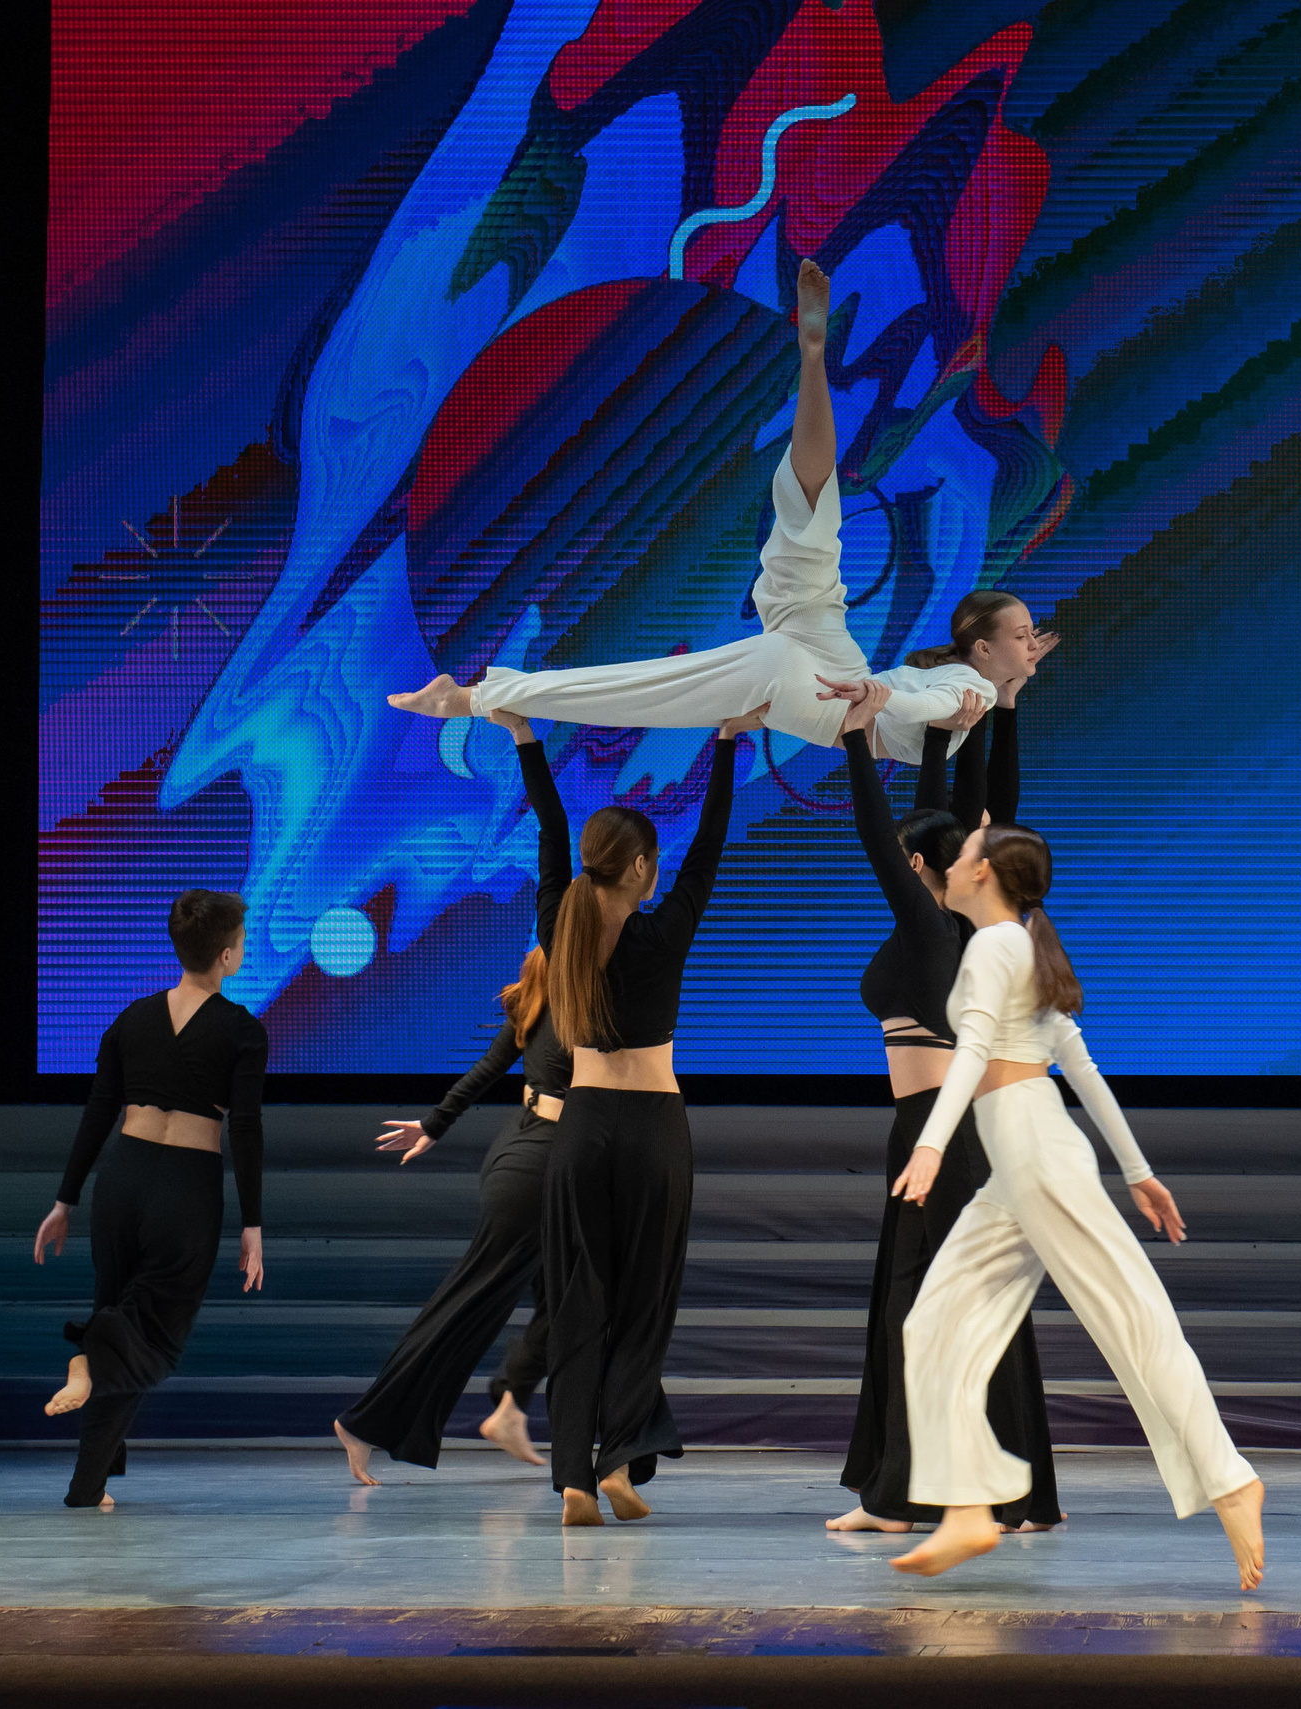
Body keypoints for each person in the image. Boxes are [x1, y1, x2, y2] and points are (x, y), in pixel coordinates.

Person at [385, 258, 1043, 766]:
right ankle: (816, 358)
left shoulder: (962, 699)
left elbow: (939, 706)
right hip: (810, 651)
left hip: (804, 663)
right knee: (806, 485)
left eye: (1025, 635)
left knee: (645, 678)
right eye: (1023, 635)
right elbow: (946, 699)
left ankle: (472, 698)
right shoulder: (962, 694)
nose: (1033, 644)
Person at [883, 826, 1266, 1588]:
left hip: (1033, 1150)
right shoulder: (1017, 945)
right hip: (1022, 1158)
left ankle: (1231, 1479)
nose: (952, 863)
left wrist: (930, 1142)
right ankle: (966, 1507)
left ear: (983, 873)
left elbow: (978, 1050)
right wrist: (1137, 1170)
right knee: (932, 1322)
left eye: (963, 855)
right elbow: (1078, 1063)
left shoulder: (997, 946)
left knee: (1134, 1318)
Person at [826, 671, 1062, 1535]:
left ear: (917, 864)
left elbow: (887, 841)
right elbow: (934, 828)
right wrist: (936, 738)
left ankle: (905, 1498)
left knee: (921, 1304)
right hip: (931, 1132)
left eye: (913, 853)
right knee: (963, 1299)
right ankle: (1017, 1494)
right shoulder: (945, 926)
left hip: (942, 1134)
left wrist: (857, 737)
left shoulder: (937, 927)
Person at [524, 694, 759, 1525]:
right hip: (655, 1130)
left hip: (582, 1129)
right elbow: (712, 848)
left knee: (578, 1298)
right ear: (640, 870)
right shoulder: (663, 935)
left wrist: (526, 738)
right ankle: (620, 1461)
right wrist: (729, 744)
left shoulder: (561, 928)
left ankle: (574, 1480)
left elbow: (551, 835)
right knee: (642, 1301)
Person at [330, 856, 572, 1482]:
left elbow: (487, 1068)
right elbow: (495, 1065)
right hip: (538, 1164)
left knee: (570, 1296)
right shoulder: (564, 995)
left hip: (541, 1157)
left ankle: (513, 1403)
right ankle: (367, 1420)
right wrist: (435, 1123)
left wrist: (435, 1124)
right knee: (470, 1304)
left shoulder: (551, 991)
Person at [33, 890, 267, 1509]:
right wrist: (254, 1224)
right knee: (150, 1339)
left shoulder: (131, 1019)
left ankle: (89, 1487)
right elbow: (244, 1128)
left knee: (121, 1319)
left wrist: (65, 1200)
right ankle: (88, 1363)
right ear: (226, 956)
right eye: (241, 941)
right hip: (184, 1187)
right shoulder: (243, 1030)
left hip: (122, 1179)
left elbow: (98, 1111)